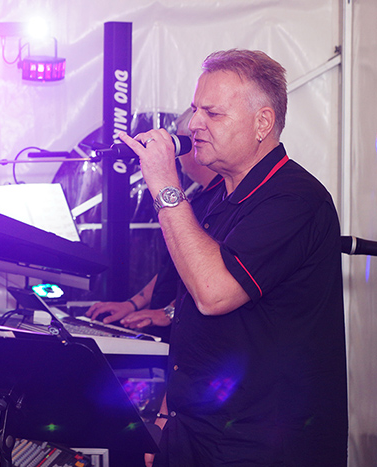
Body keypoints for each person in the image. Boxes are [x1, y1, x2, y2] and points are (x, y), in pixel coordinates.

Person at [121, 49, 347, 466]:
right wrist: (168, 417)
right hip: (195, 431)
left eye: (213, 113)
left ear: (262, 122)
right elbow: (193, 319)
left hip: (259, 444)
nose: (194, 125)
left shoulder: (296, 199)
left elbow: (213, 291)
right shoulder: (214, 198)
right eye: (194, 111)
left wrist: (164, 184)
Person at [86, 108, 221, 340]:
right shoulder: (200, 196)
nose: (177, 155)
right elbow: (175, 266)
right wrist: (133, 304)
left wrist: (169, 313)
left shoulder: (223, 198)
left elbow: (213, 275)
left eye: (180, 144)